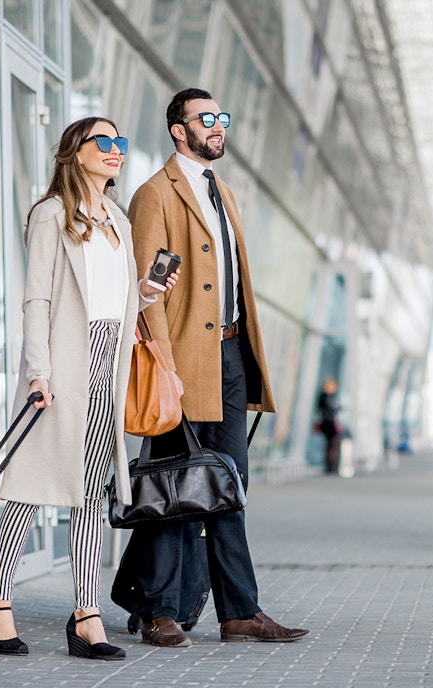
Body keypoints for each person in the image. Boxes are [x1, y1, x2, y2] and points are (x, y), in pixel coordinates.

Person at [0, 116, 179, 660]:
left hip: (110, 363)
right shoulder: (51, 215)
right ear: (74, 151)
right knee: (29, 488)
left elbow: (122, 301)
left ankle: (86, 613)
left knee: (91, 492)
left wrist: (147, 288)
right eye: (103, 142)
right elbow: (37, 298)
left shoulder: (119, 219)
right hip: (65, 361)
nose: (116, 150)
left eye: (120, 143)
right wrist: (38, 372)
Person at [117, 88, 309, 647]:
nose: (218, 125)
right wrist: (164, 363)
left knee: (229, 485)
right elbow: (148, 291)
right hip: (181, 360)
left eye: (222, 117)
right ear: (179, 130)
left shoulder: (223, 191)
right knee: (171, 484)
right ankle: (158, 610)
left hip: (228, 355)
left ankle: (239, 612)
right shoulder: (155, 194)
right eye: (206, 118)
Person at [316, 377, 342, 474]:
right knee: (332, 443)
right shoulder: (326, 396)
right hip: (329, 423)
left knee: (330, 444)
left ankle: (330, 465)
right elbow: (329, 409)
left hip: (327, 422)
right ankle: (331, 465)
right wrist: (338, 408)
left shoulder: (325, 396)